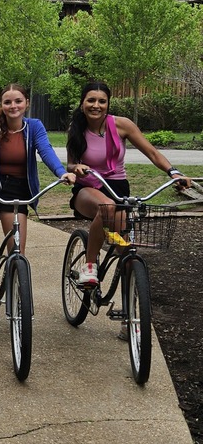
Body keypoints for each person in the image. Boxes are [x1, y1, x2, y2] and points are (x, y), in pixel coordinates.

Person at [66, 80, 190, 290]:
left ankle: (131, 304)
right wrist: (76, 167)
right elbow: (70, 164)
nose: (96, 105)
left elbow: (152, 153)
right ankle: (89, 266)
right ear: (82, 103)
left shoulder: (122, 125)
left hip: (118, 188)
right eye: (91, 100)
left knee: (127, 251)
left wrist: (173, 172)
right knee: (106, 208)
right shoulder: (76, 128)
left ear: (108, 104)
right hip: (88, 188)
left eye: (102, 101)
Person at [0, 83, 74, 297]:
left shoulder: (34, 127)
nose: (13, 106)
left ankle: (15, 295)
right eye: (8, 102)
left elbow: (46, 151)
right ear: (1, 105)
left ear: (26, 103)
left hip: (17, 191)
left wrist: (61, 173)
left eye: (18, 101)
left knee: (17, 253)